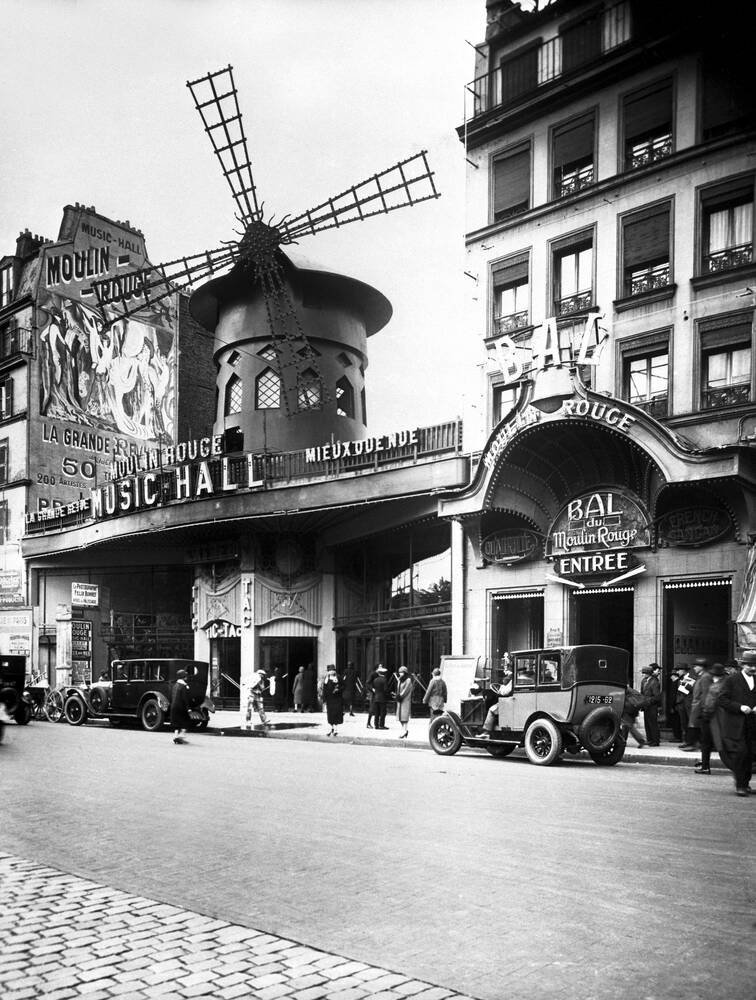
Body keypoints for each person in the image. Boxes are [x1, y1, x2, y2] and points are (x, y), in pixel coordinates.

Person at [716, 649, 756, 796]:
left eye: (755, 665)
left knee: (750, 755)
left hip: (752, 724)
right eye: (750, 665)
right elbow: (721, 699)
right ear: (743, 665)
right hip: (736, 724)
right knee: (741, 754)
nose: (753, 668)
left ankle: (746, 783)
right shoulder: (731, 680)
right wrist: (740, 707)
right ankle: (740, 785)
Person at [694, 662, 725, 774]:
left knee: (706, 742)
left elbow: (709, 703)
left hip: (711, 717)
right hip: (721, 717)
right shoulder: (726, 683)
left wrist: (704, 714)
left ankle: (705, 766)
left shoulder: (715, 686)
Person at [477, 669, 513, 739]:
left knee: (491, 709)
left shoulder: (513, 681)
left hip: (509, 702)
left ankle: (486, 732)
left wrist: (500, 689)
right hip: (512, 700)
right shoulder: (518, 680)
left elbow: (505, 692)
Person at [680, 658, 707, 750]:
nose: (694, 668)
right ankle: (692, 743)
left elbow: (704, 692)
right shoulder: (700, 676)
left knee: (697, 725)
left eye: (696, 666)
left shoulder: (705, 677)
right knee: (693, 724)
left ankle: (696, 744)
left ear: (701, 667)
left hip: (699, 705)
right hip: (695, 704)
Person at [675, 663, 697, 748]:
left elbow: (694, 690)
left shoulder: (691, 678)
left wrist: (686, 685)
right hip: (681, 704)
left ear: (684, 670)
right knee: (683, 723)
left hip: (689, 703)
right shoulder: (680, 679)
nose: (677, 672)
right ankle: (686, 741)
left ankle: (691, 741)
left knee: (690, 723)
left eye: (679, 670)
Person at [640, 663, 662, 746]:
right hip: (646, 706)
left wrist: (648, 701)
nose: (643, 675)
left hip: (652, 706)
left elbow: (657, 697)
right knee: (647, 723)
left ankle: (655, 741)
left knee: (653, 723)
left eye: (644, 673)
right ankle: (649, 739)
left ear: (648, 673)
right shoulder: (644, 681)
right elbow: (642, 692)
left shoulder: (654, 682)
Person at [170, 668, 192, 745]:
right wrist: (188, 709)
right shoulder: (184, 686)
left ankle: (175, 736)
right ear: (184, 677)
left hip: (174, 707)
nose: (186, 677)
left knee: (176, 723)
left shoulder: (175, 685)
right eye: (185, 676)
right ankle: (181, 736)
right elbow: (185, 698)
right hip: (181, 707)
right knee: (185, 721)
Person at [321, 664, 343, 736]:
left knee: (336, 714)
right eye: (330, 671)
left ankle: (336, 729)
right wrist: (324, 699)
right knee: (330, 714)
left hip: (337, 699)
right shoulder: (326, 679)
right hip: (329, 699)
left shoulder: (338, 677)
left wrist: (338, 690)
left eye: (333, 670)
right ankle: (330, 728)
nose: (331, 672)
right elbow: (324, 689)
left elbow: (343, 686)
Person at [395, 665, 414, 739]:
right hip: (400, 700)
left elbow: (406, 690)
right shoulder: (400, 679)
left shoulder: (408, 680)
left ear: (405, 673)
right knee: (400, 717)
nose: (400, 674)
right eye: (399, 672)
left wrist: (400, 695)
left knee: (404, 717)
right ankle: (404, 730)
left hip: (405, 700)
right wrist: (398, 695)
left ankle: (404, 731)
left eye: (402, 672)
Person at [371, 664, 388, 730]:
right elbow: (385, 689)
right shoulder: (384, 680)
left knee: (377, 712)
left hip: (376, 697)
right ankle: (381, 725)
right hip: (382, 698)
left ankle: (376, 725)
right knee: (383, 712)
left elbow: (374, 688)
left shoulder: (375, 680)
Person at [365, 664, 382, 729]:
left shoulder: (379, 674)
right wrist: (372, 689)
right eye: (380, 667)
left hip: (378, 693)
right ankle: (368, 723)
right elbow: (368, 683)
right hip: (373, 693)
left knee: (377, 708)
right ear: (377, 668)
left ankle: (377, 723)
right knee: (372, 708)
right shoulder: (373, 674)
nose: (381, 667)